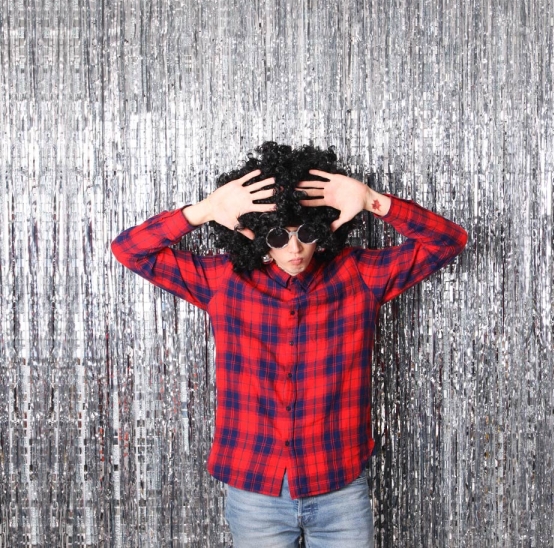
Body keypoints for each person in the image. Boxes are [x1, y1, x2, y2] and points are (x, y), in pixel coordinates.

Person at [111, 141, 468, 548]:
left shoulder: (359, 275)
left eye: (307, 233)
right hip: (255, 491)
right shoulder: (225, 281)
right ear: (255, 232)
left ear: (326, 226)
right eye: (278, 235)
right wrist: (205, 210)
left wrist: (372, 200)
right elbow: (130, 251)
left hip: (339, 488)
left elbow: (449, 241)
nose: (294, 249)